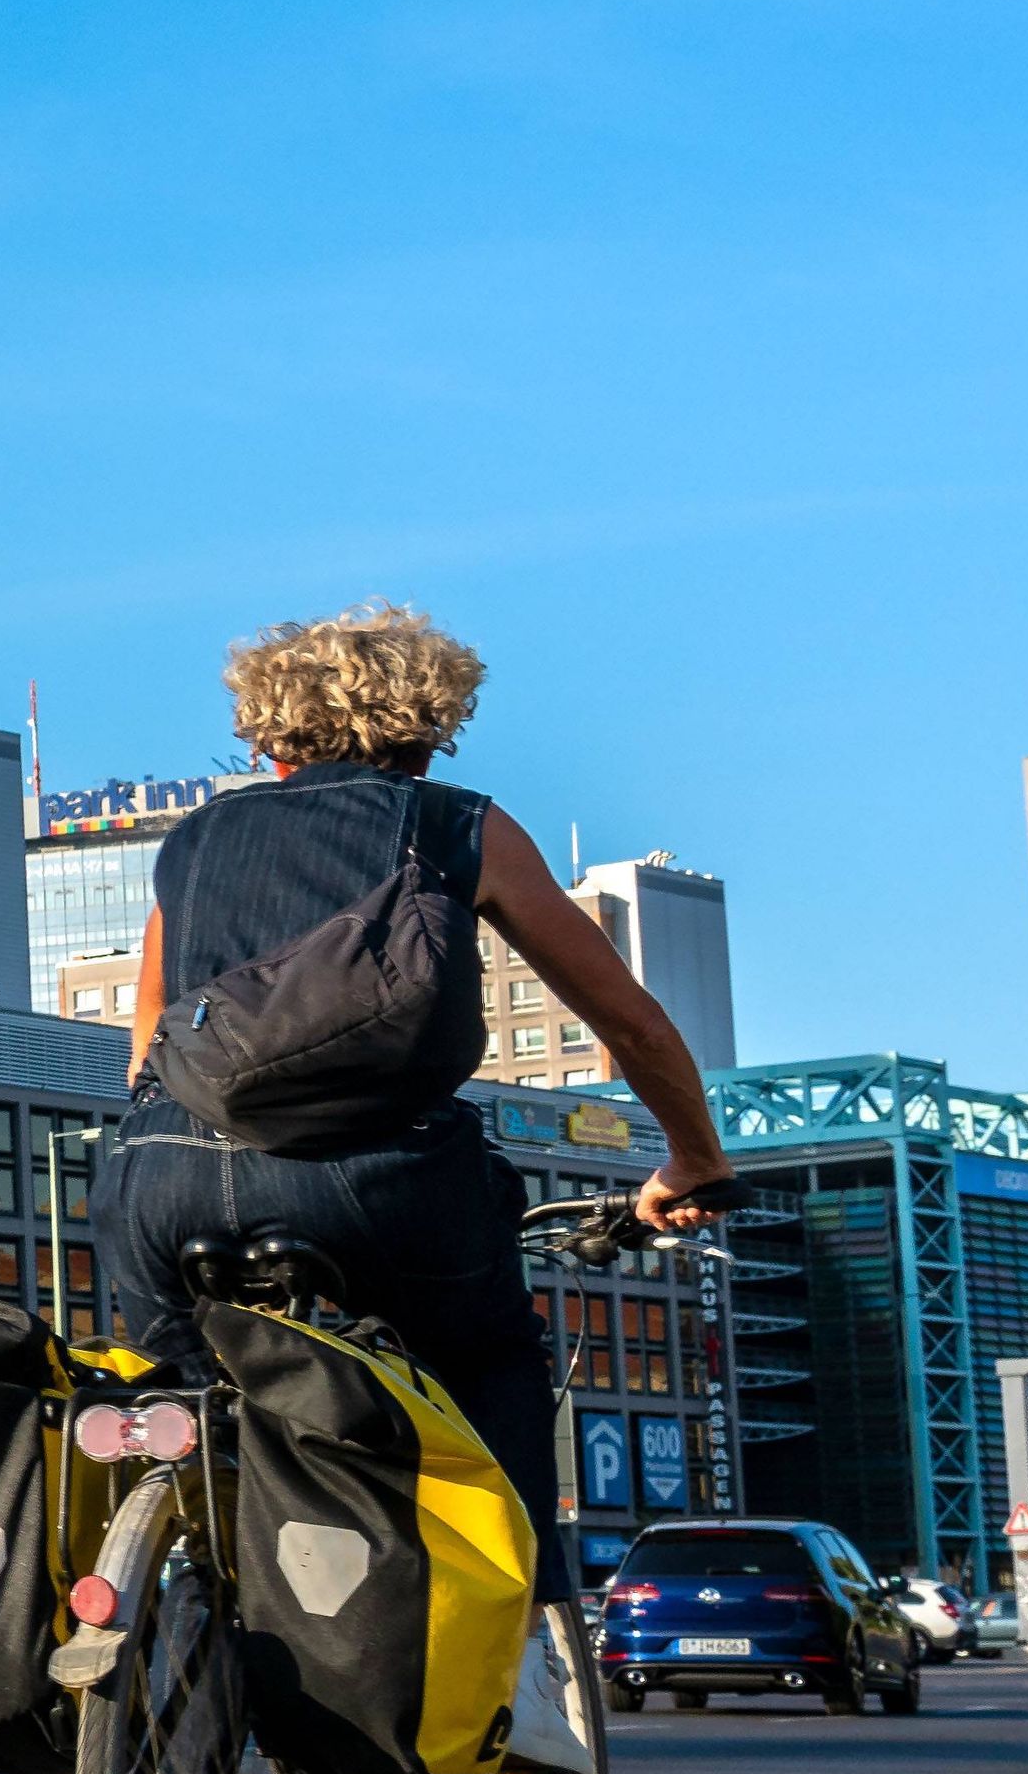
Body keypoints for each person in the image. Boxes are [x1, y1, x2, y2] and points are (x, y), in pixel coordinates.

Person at [99, 604, 734, 1575]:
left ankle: (182, 1605)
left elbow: (147, 1042)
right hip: (381, 1183)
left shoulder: (195, 842)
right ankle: (523, 1651)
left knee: (189, 1408)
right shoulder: (453, 824)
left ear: (270, 738)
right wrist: (694, 1160)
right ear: (429, 733)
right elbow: (633, 1023)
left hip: (156, 1179)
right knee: (488, 1369)